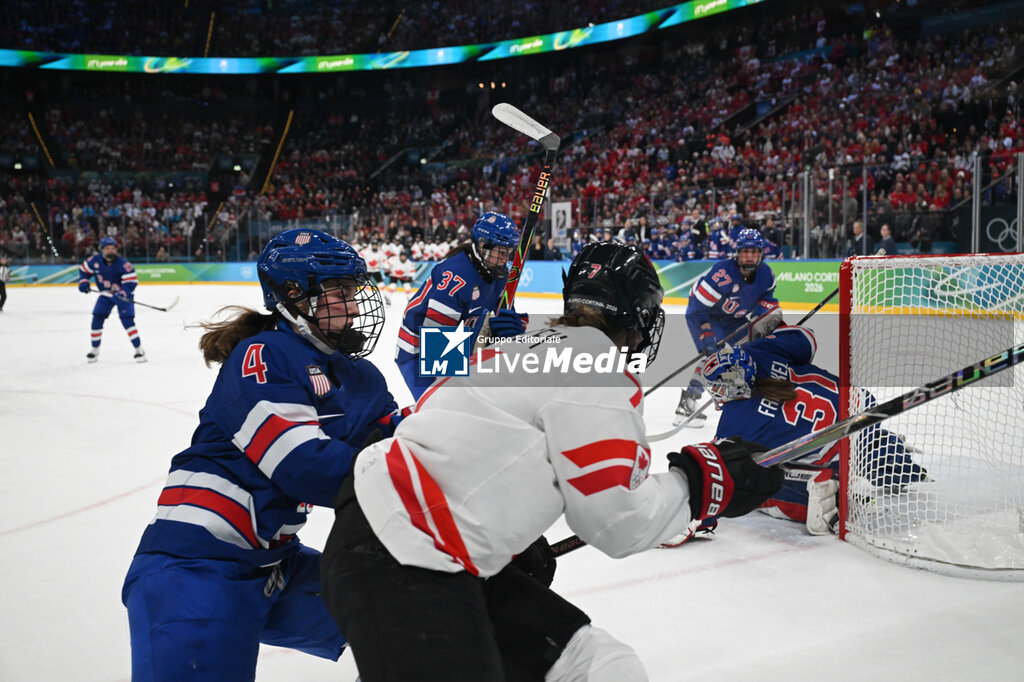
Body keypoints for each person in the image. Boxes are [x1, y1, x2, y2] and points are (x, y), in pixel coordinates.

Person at [320, 241, 783, 682]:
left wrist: (508, 537)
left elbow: (461, 439)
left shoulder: (520, 346)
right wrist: (700, 482)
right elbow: (619, 521)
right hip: (405, 559)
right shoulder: (597, 369)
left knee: (601, 666)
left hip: (397, 540)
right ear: (637, 316)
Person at [121, 228, 401, 682]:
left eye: (355, 292)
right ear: (294, 295)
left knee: (410, 605)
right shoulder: (265, 355)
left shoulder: (358, 376)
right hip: (195, 571)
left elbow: (412, 439)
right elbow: (304, 466)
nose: (354, 307)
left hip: (273, 568)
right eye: (340, 293)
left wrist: (488, 368)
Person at [700, 324, 927, 536]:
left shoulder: (734, 422)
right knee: (869, 445)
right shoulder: (760, 351)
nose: (717, 392)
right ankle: (895, 454)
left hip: (839, 453)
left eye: (719, 386)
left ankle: (844, 485)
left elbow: (719, 468)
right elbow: (806, 338)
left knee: (759, 480)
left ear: (736, 384)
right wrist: (771, 332)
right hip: (861, 404)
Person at [395, 211, 528, 400]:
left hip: (456, 345)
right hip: (416, 351)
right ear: (482, 246)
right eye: (501, 251)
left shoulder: (500, 273)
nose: (505, 259)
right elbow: (437, 353)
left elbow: (505, 314)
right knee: (442, 411)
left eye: (509, 252)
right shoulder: (455, 277)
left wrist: (513, 329)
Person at [675, 227, 780, 426]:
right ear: (737, 253)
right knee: (714, 356)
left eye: (754, 252)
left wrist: (761, 319)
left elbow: (767, 300)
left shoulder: (767, 274)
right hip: (706, 315)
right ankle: (688, 401)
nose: (749, 257)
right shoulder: (722, 274)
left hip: (732, 318)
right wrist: (706, 333)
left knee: (748, 352)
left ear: (761, 254)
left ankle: (739, 396)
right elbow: (698, 307)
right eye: (745, 252)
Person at [77, 236, 146, 363]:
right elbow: (83, 270)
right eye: (107, 248)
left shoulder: (123, 264)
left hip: (123, 296)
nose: (110, 251)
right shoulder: (94, 261)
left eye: (112, 248)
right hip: (105, 294)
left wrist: (121, 293)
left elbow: (131, 281)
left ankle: (139, 349)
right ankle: (95, 349)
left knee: (127, 321)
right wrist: (84, 281)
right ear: (102, 250)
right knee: (97, 318)